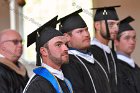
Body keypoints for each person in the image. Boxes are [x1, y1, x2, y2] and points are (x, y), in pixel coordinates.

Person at [59, 9, 111, 93]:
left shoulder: (95, 59)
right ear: (66, 37)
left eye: (86, 30)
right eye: (80, 32)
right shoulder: (69, 64)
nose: (86, 34)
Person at [23, 16, 73, 93]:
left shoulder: (66, 82)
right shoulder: (37, 85)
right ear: (44, 51)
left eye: (65, 44)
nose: (66, 49)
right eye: (58, 45)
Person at [89, 6, 120, 93]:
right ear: (97, 25)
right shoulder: (90, 53)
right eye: (111, 24)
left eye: (117, 24)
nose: (116, 29)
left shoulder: (112, 52)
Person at [115, 16, 140, 93]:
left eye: (134, 37)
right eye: (127, 38)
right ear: (116, 41)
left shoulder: (135, 67)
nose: (132, 42)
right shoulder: (115, 68)